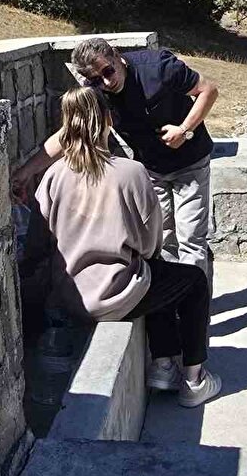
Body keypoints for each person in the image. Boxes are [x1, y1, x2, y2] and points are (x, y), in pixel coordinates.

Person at [34, 86, 220, 405]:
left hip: (69, 294)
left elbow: (40, 241)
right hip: (112, 297)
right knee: (190, 281)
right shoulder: (130, 172)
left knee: (156, 276)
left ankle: (163, 364)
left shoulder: (53, 175)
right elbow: (150, 243)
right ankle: (194, 379)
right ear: (108, 121)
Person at [14, 37, 219, 280]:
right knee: (163, 242)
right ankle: (177, 303)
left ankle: (196, 311)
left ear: (115, 55)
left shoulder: (158, 67)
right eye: (96, 79)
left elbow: (209, 90)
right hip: (151, 169)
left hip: (190, 162)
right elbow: (68, 134)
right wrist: (24, 173)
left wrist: (184, 130)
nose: (106, 82)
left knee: (191, 240)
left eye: (108, 71)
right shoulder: (96, 91)